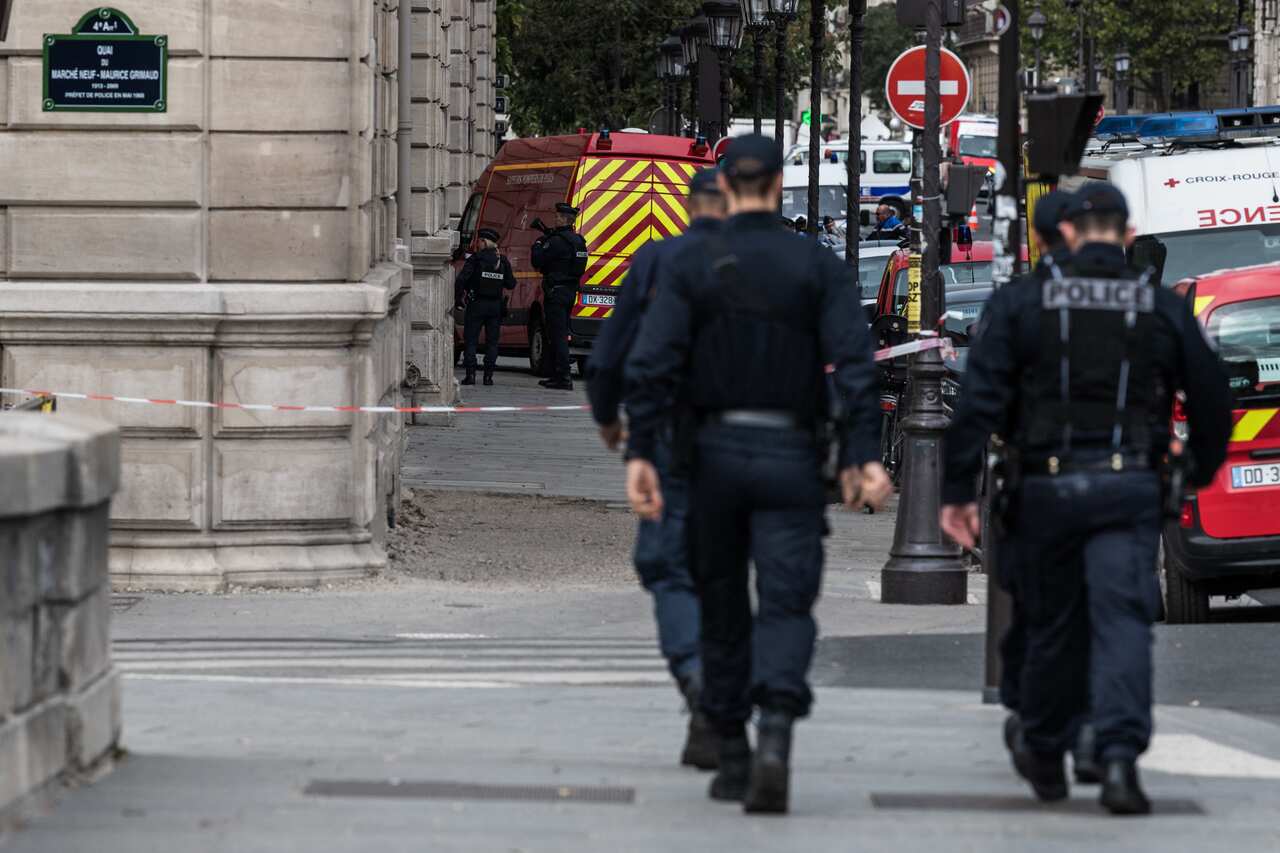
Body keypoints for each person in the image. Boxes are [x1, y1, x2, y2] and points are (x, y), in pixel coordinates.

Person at [940, 183, 1232, 815]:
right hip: (1129, 485)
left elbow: (978, 400)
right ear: (1128, 235)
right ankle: (1120, 755)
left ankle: (1046, 746)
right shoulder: (1158, 306)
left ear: (1068, 233)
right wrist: (1198, 469)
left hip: (1045, 486)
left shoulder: (1024, 302)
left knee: (1052, 621)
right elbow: (1213, 396)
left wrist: (958, 491)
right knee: (1122, 620)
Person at [624, 135, 892, 815]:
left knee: (719, 603)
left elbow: (652, 364)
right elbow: (855, 366)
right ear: (777, 185)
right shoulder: (816, 264)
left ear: (726, 186)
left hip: (710, 457)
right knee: (786, 601)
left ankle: (734, 750)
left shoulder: (690, 262)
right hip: (792, 458)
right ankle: (775, 730)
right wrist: (862, 455)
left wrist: (642, 455)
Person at [586, 169, 728, 771]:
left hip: (676, 438)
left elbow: (612, 353)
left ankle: (697, 677)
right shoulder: (775, 260)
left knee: (670, 566)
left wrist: (610, 419)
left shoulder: (657, 261)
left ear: (689, 207)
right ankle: (738, 709)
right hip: (759, 443)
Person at [531, 202, 590, 390]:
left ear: (564, 219)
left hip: (556, 292)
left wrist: (538, 244)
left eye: (557, 216)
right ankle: (559, 374)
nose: (555, 219)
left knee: (557, 335)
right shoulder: (579, 241)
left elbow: (537, 260)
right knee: (561, 333)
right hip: (569, 291)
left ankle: (563, 376)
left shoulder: (556, 241)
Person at [454, 227, 517, 386]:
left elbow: (461, 280)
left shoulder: (476, 259)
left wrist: (459, 298)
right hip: (495, 306)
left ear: (484, 242)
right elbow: (511, 283)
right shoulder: (502, 261)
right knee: (492, 342)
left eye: (479, 241)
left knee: (471, 341)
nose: (477, 244)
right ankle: (488, 377)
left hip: (476, 304)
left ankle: (470, 375)